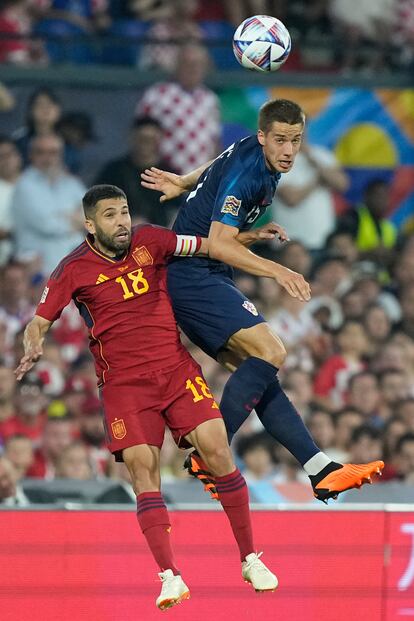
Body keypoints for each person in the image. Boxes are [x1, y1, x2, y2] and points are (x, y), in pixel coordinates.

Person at [15, 184, 278, 610]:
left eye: (123, 212)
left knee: (217, 450)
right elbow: (40, 320)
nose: (121, 222)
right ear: (90, 224)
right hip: (125, 387)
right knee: (144, 473)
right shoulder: (73, 269)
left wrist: (248, 238)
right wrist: (33, 345)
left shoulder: (152, 239)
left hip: (174, 370)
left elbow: (206, 245)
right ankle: (169, 575)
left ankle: (250, 558)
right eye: (110, 216)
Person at [141, 98, 384, 503]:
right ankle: (209, 453)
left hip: (204, 272)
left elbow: (219, 161)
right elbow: (219, 243)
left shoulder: (249, 149)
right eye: (281, 140)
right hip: (192, 274)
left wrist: (186, 182)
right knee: (272, 349)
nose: (289, 150)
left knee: (260, 375)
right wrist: (280, 270)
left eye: (296, 140)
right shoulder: (250, 172)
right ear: (263, 137)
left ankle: (320, 469)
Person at [135, 43, 221, 175]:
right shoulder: (157, 94)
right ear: (177, 66)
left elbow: (214, 142)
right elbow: (141, 136)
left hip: (199, 181)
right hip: (164, 177)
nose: (193, 69)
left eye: (198, 64)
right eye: (188, 63)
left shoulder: (210, 99)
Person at [12, 133, 85, 275]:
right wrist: (77, 219)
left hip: (73, 265)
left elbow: (93, 211)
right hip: (40, 269)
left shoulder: (70, 183)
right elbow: (48, 225)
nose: (48, 158)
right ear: (30, 155)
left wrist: (65, 217)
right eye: (41, 152)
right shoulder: (24, 185)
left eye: (53, 153)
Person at [94, 117, 179, 226]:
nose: (146, 144)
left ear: (159, 140)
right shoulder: (114, 170)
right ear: (132, 138)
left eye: (151, 139)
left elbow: (177, 211)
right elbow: (96, 203)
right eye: (142, 139)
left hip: (160, 236)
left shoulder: (170, 175)